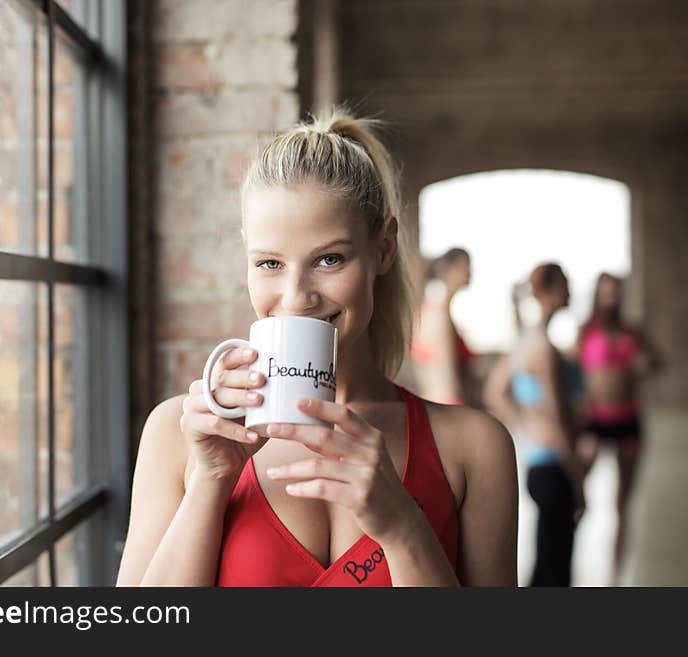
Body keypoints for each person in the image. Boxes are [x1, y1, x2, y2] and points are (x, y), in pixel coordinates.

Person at [116, 109, 518, 587]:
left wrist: (404, 528)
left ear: (384, 248)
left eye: (329, 259)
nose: (296, 296)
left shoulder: (475, 448)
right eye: (269, 263)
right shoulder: (179, 435)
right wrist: (210, 481)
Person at [484, 263, 585, 586]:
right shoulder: (543, 348)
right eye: (566, 284)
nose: (570, 291)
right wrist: (577, 476)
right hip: (554, 466)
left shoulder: (526, 341)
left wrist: (528, 428)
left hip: (538, 462)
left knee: (547, 564)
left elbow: (495, 393)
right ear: (552, 290)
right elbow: (558, 416)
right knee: (555, 571)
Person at [575, 273, 661, 586]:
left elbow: (657, 361)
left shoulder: (632, 331)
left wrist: (646, 363)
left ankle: (615, 576)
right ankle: (569, 557)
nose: (610, 298)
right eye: (605, 292)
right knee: (576, 489)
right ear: (597, 295)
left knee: (622, 501)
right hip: (595, 421)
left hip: (628, 420)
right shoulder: (585, 331)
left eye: (615, 292)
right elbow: (571, 372)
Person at [410, 248, 480, 406]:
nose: (470, 271)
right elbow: (447, 375)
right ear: (447, 269)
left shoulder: (435, 312)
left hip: (440, 404)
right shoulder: (437, 315)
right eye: (465, 265)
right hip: (449, 404)